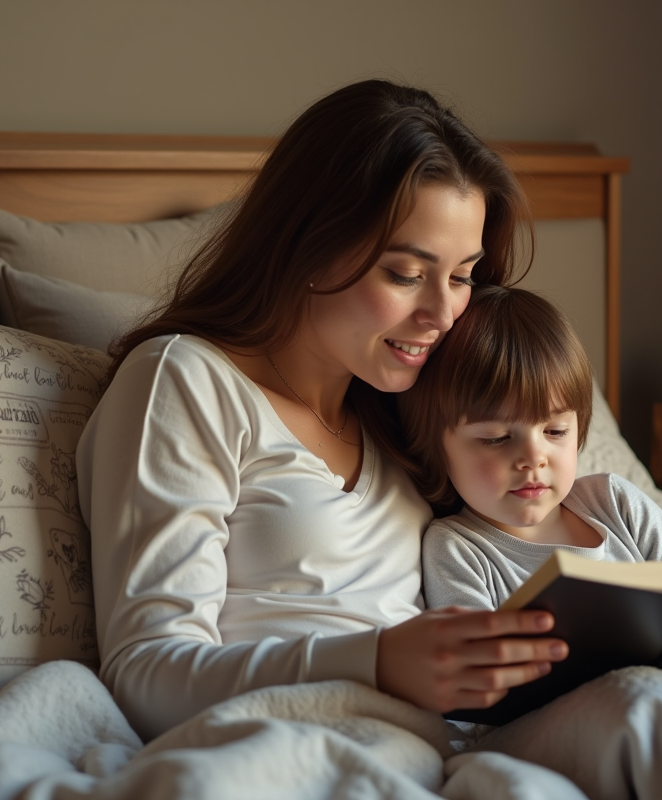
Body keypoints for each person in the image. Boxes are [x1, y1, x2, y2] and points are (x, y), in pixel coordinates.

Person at [75, 80, 570, 741]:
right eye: (404, 273)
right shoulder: (187, 381)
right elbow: (144, 675)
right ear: (308, 244)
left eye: (461, 276)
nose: (443, 315)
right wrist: (376, 663)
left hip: (455, 749)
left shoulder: (416, 412)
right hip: (294, 749)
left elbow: (541, 518)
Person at [397, 286, 662, 659]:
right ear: (438, 449)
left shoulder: (614, 503)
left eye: (556, 431)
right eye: (495, 438)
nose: (533, 458)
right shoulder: (456, 549)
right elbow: (480, 673)